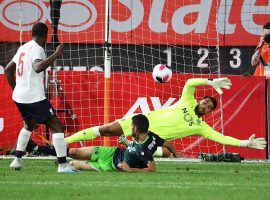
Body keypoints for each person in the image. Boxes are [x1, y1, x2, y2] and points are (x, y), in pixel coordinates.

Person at [64, 77, 267, 154]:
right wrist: (209, 81)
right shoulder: (188, 100)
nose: (205, 105)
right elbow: (189, 83)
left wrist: (244, 144)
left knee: (165, 152)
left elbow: (221, 138)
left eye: (208, 107)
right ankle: (66, 142)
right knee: (105, 130)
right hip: (140, 123)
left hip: (149, 140)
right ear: (199, 101)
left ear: (208, 113)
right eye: (204, 101)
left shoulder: (200, 126)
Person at [4, 22, 76, 173]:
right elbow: (37, 67)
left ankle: (17, 160)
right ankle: (63, 165)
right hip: (34, 98)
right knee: (58, 127)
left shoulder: (23, 47)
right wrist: (56, 55)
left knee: (29, 126)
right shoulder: (38, 49)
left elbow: (7, 70)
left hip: (19, 97)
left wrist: (17, 88)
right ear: (45, 35)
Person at [33, 114, 180, 172]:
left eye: (131, 127)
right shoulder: (151, 136)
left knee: (73, 164)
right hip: (111, 152)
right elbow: (170, 145)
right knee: (73, 152)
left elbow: (152, 170)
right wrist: (177, 155)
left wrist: (130, 169)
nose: (130, 129)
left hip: (110, 166)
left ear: (135, 128)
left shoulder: (144, 151)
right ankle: (36, 148)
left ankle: (36, 149)